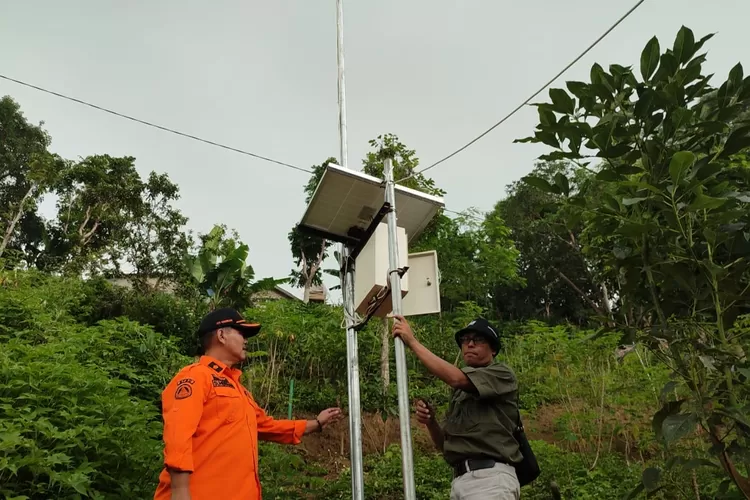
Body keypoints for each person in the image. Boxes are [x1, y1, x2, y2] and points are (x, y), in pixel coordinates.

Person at [153, 307, 343, 500]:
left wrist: (316, 423)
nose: (246, 340)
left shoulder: (239, 390)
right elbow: (178, 435)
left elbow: (267, 426)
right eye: (241, 333)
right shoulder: (194, 376)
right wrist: (180, 491)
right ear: (221, 335)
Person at [392, 315, 521, 500]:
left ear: (493, 349)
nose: (469, 344)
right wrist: (431, 422)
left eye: (478, 340)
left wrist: (412, 342)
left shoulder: (501, 374)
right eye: (465, 340)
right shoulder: (460, 394)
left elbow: (456, 378)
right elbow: (445, 446)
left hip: (490, 479)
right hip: (461, 481)